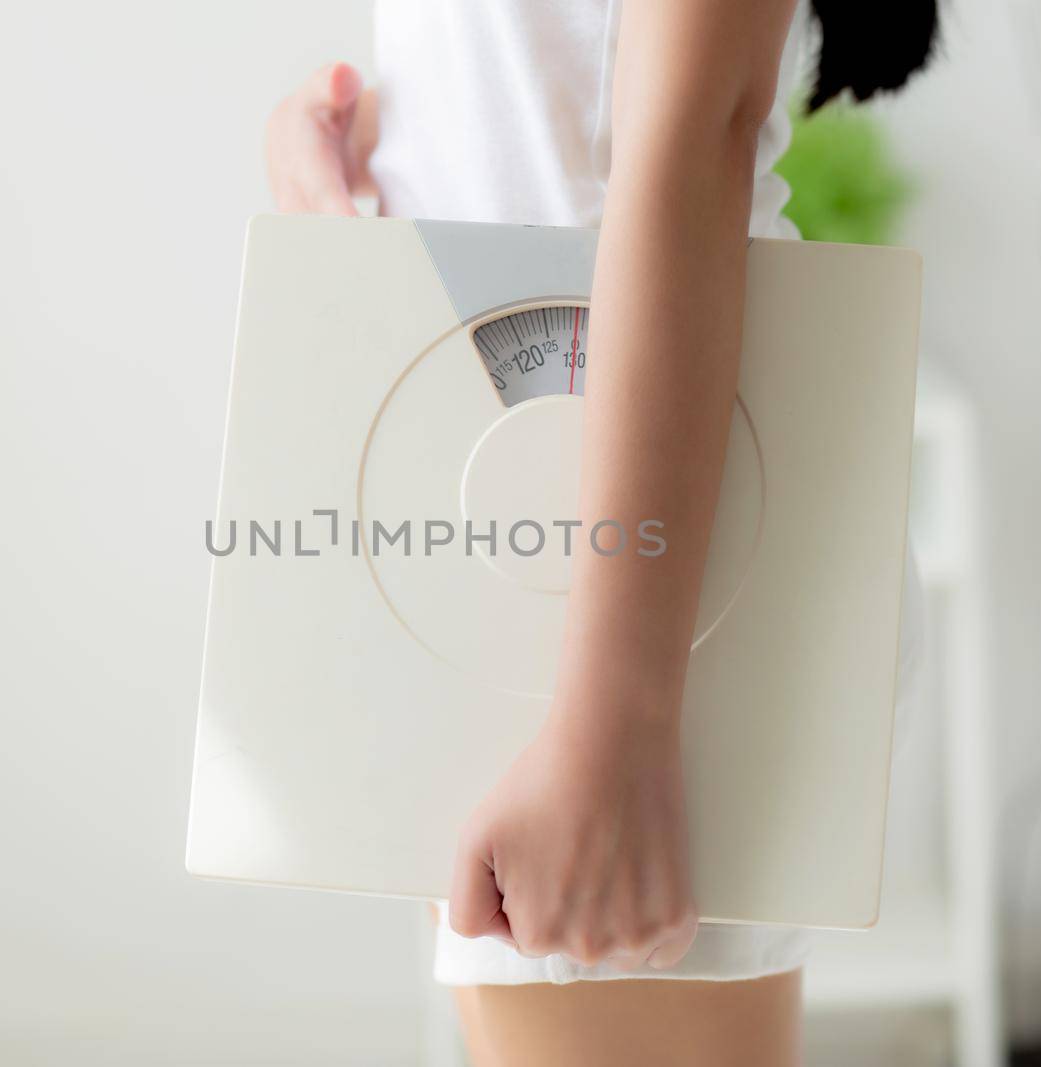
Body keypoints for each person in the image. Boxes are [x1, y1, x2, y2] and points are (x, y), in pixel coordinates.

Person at [264, 2, 937, 1063]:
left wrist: (614, 725)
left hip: (629, 615)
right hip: (537, 582)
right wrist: (362, 131)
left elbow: (690, 146)